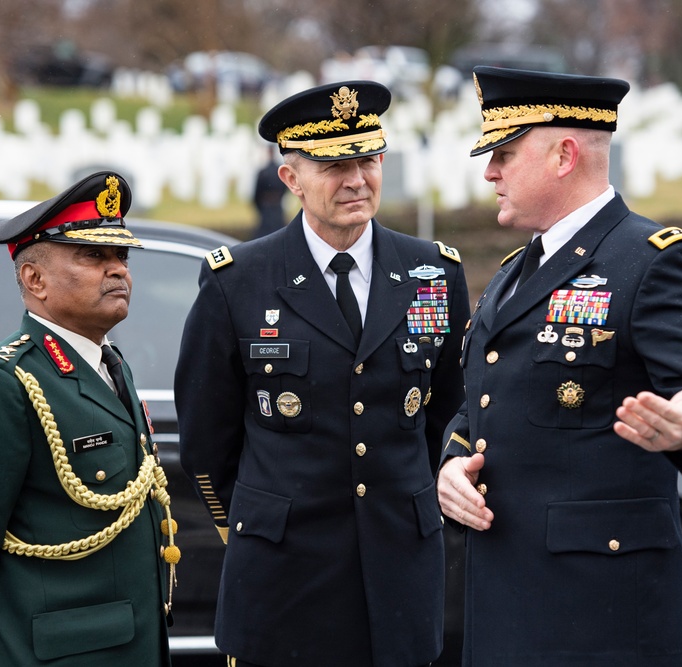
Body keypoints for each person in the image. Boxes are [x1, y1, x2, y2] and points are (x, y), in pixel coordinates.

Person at [436, 67, 682, 666]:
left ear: (564, 155)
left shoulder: (655, 262)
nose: (489, 171)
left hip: (607, 626)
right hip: (505, 615)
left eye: (504, 153)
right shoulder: (511, 273)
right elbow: (482, 407)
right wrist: (453, 466)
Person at [175, 81, 469, 667]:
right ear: (291, 179)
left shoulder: (432, 273)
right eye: (335, 165)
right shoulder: (239, 281)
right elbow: (207, 438)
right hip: (285, 576)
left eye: (368, 159)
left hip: (400, 575)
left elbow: (450, 412)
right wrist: (264, 522)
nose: (357, 179)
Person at [0, 172, 179, 667]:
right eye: (93, 256)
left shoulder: (110, 366)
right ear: (34, 279)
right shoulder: (2, 383)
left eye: (121, 256)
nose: (118, 270)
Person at [250, 147, 289, 239]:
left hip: (266, 206)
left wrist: (260, 206)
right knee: (279, 232)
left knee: (264, 235)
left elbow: (257, 193)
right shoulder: (279, 171)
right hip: (277, 205)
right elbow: (285, 188)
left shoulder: (263, 172)